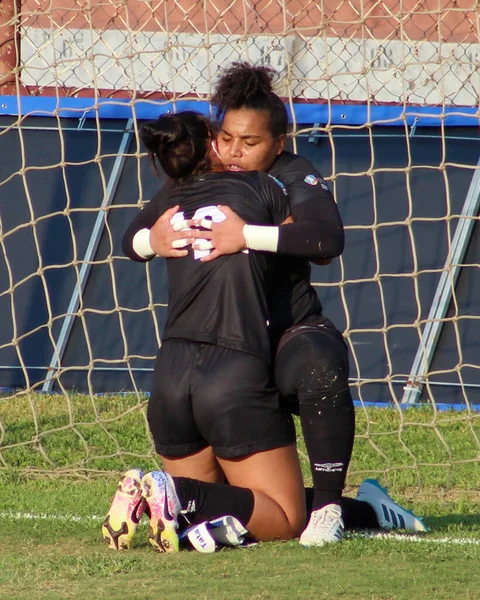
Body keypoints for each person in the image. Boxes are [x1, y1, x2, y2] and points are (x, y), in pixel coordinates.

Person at [146, 63, 428, 546]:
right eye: (227, 138)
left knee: (320, 360)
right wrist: (149, 241)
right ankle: (372, 510)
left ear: (278, 143)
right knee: (242, 503)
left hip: (286, 338)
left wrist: (245, 236)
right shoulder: (202, 171)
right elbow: (133, 233)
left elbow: (325, 237)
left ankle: (328, 508)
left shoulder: (291, 174)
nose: (234, 152)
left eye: (250, 142)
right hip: (227, 353)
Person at [104, 110, 307, 552]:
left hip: (171, 373)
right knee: (288, 517)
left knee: (210, 513)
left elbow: (129, 241)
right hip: (234, 366)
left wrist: (150, 244)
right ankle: (176, 490)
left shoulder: (170, 197)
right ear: (213, 144)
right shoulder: (261, 186)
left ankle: (162, 494)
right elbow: (315, 238)